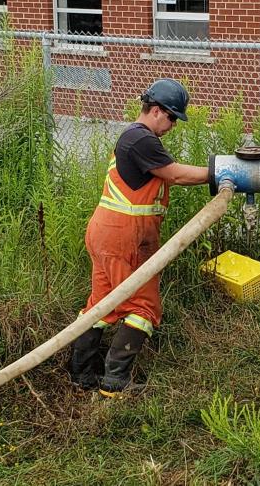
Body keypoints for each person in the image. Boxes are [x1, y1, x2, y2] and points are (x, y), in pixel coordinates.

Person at [68, 79, 210, 398]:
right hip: (124, 239)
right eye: (172, 117)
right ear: (156, 110)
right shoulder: (140, 138)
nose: (173, 124)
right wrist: (218, 171)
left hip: (108, 234)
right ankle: (115, 381)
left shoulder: (136, 137)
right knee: (143, 306)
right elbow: (175, 175)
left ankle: (81, 375)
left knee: (102, 306)